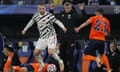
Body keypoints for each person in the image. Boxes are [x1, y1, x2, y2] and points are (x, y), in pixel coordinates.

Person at [21, 3, 67, 71]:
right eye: (40, 9)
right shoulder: (36, 16)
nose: (41, 10)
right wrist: (25, 29)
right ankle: (42, 64)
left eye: (43, 8)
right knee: (36, 53)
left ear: (45, 8)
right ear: (38, 9)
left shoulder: (49, 15)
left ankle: (60, 61)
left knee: (50, 52)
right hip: (42, 37)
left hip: (51, 36)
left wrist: (63, 27)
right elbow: (31, 22)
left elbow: (57, 21)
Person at [57, 2, 86, 72]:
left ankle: (71, 70)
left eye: (68, 6)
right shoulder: (61, 14)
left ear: (71, 7)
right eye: (66, 7)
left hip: (71, 38)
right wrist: (51, 11)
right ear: (64, 7)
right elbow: (53, 20)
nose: (67, 8)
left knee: (70, 55)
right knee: (62, 55)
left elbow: (83, 19)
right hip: (62, 38)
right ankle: (64, 69)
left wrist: (82, 10)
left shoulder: (74, 14)